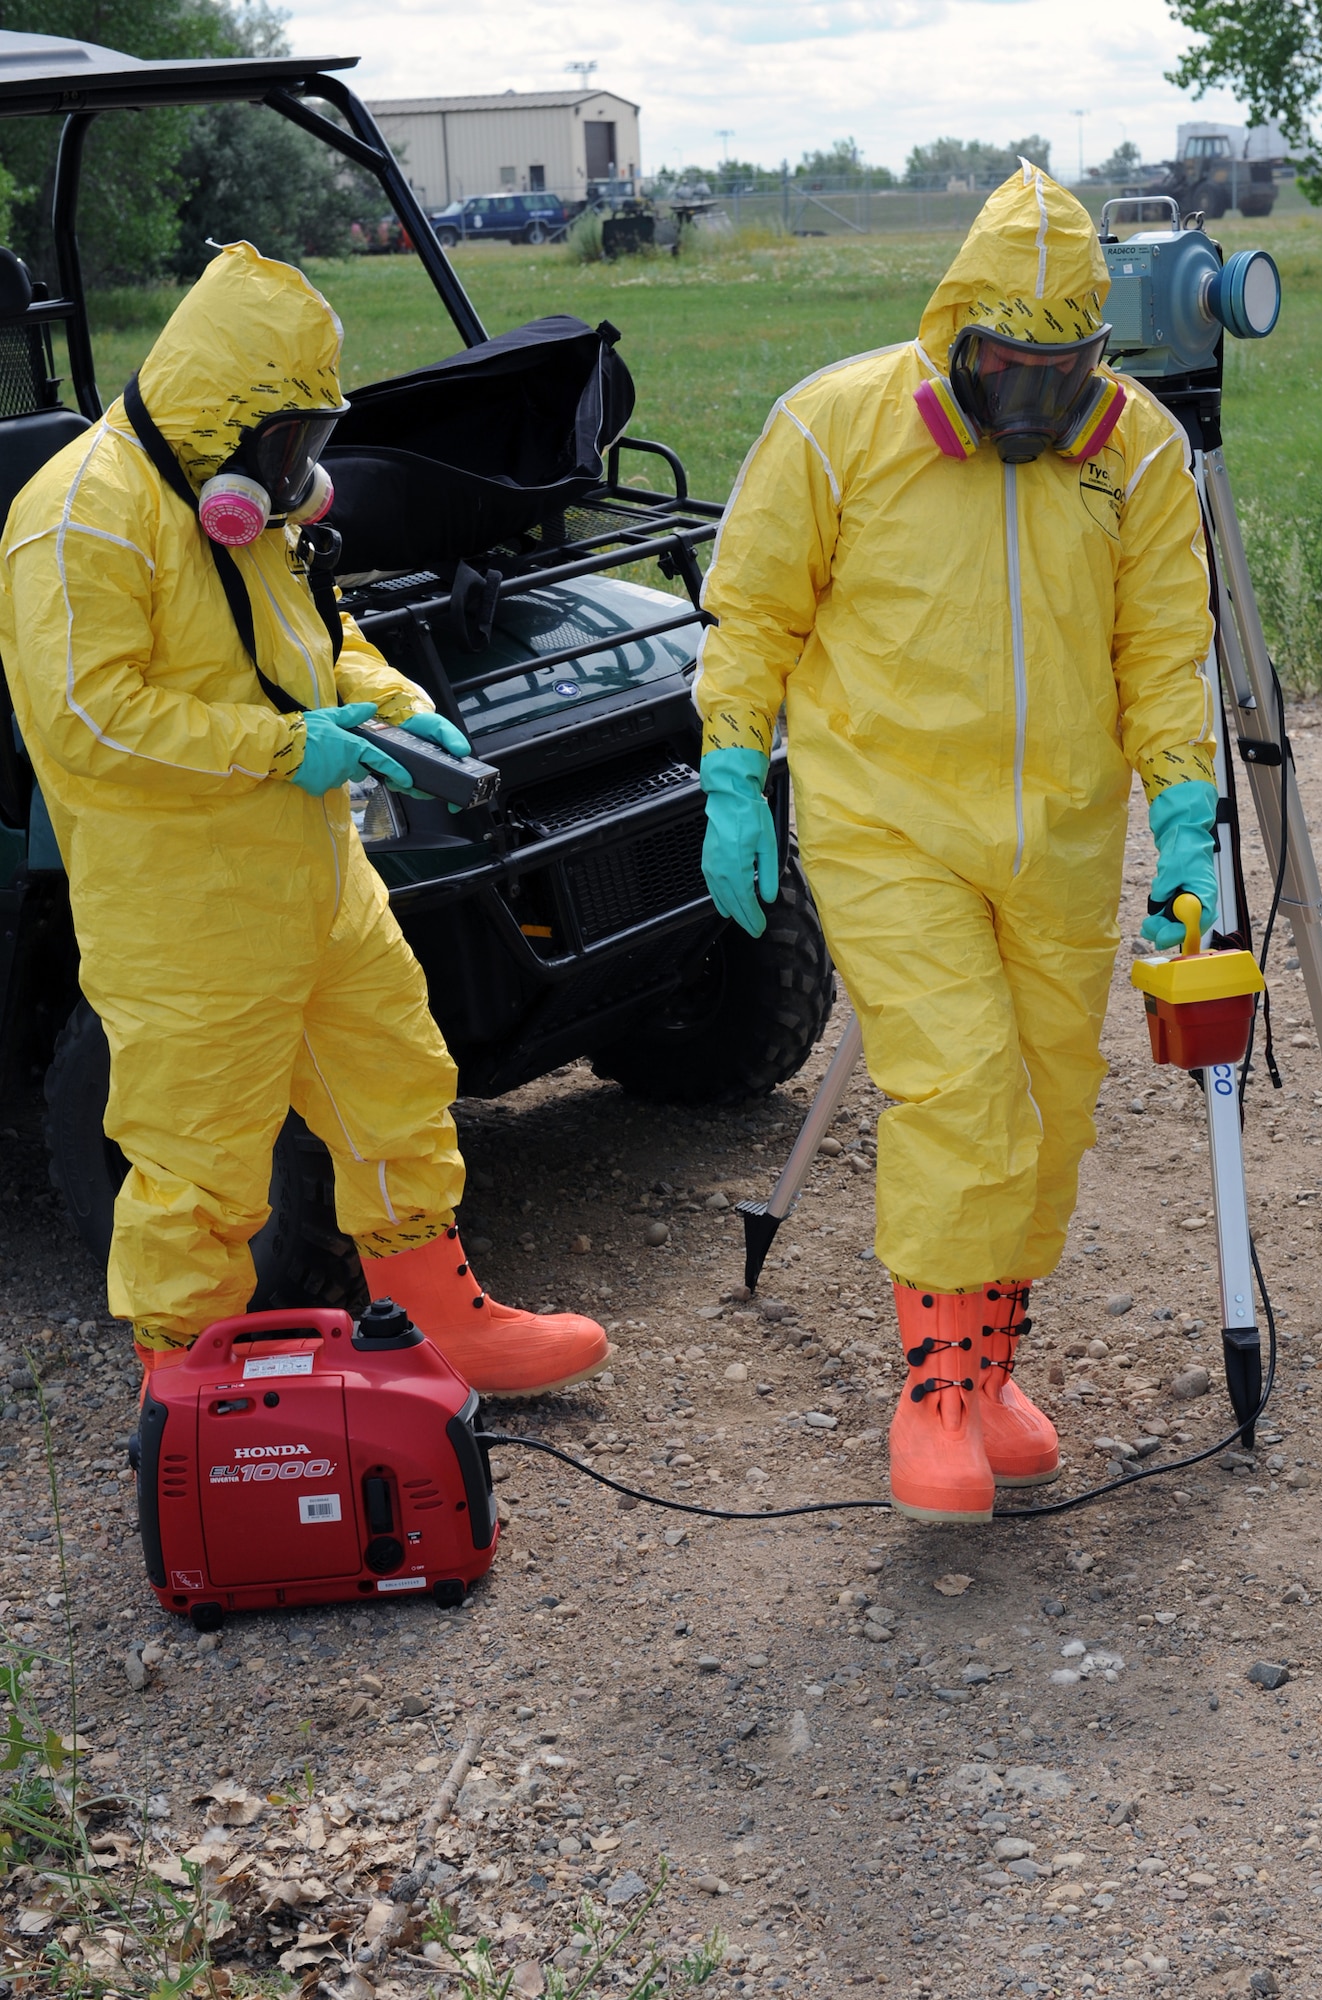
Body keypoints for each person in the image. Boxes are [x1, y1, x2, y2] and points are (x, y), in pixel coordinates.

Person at [694, 165, 1218, 1523]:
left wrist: (1183, 813)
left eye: (1062, 371)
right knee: (961, 1089)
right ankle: (929, 1391)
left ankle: (989, 1370)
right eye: (1005, 368)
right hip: (889, 822)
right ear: (954, 337)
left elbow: (1163, 647)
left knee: (1049, 1104)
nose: (1032, 400)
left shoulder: (1138, 449)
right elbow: (751, 614)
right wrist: (733, 771)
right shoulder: (835, 425)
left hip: (1060, 834)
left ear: (1096, 355)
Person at [0, 241, 607, 1397]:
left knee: (400, 1084)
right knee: (197, 1158)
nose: (299, 473)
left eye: (311, 442)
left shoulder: (240, 499)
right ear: (219, 413)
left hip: (320, 877)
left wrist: (400, 707)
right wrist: (285, 748)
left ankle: (442, 1316)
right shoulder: (81, 515)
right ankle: (186, 1393)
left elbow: (321, 640)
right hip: (188, 909)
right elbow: (90, 719)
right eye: (288, 443)